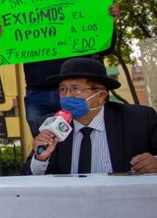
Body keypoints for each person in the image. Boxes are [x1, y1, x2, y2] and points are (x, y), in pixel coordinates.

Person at [0, 0, 120, 136]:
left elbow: (106, 48)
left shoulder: (84, 5)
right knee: (44, 146)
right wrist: (4, 38)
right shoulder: (24, 12)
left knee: (84, 142)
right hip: (38, 93)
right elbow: (16, 48)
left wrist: (108, 23)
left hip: (77, 92)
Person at [29, 58, 157, 174]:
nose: (67, 96)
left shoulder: (139, 120)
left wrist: (155, 162)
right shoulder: (49, 125)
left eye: (76, 89)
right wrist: (40, 159)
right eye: (63, 89)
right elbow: (27, 176)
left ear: (101, 96)